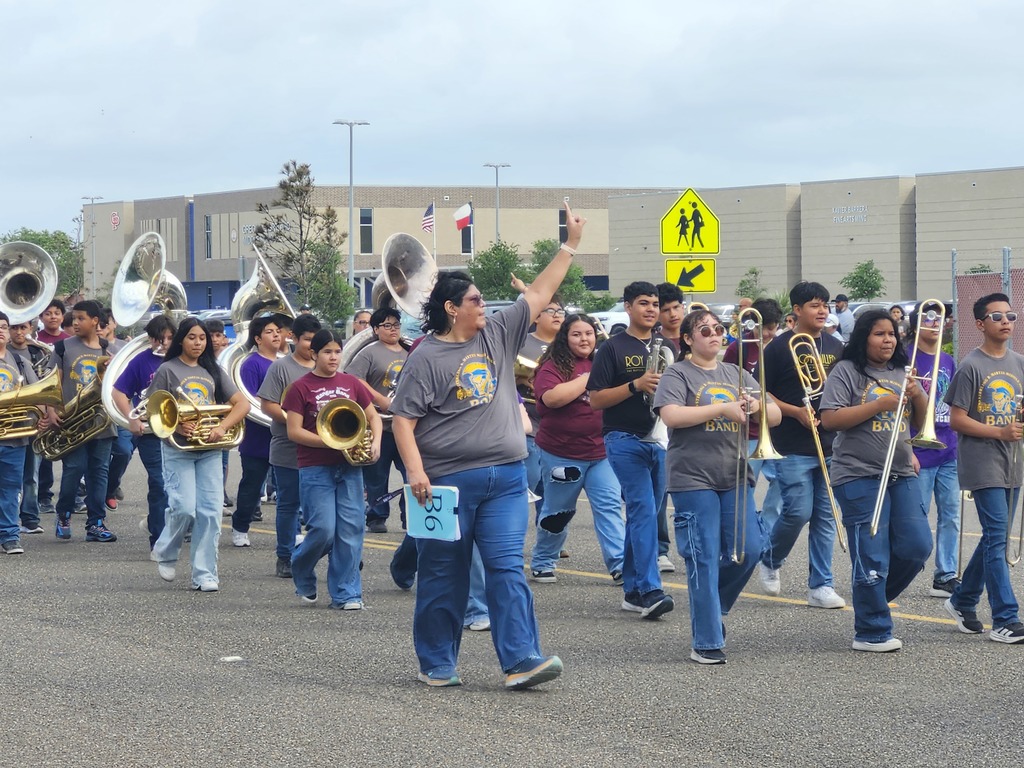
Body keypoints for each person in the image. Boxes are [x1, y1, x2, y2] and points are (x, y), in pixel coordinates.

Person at [390, 202, 583, 690]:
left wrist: (570, 245)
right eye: (476, 299)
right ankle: (437, 662)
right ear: (452, 308)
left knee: (506, 569)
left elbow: (539, 293)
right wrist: (416, 473)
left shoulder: (497, 333)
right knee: (443, 574)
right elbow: (403, 422)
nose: (485, 306)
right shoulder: (425, 357)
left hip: (507, 478)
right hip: (447, 485)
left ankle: (521, 661)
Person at [656, 308, 782, 663]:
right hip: (692, 476)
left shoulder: (736, 372)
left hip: (735, 474)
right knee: (703, 556)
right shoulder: (677, 373)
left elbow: (775, 416)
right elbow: (671, 415)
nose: (715, 334)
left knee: (751, 549)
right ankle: (707, 640)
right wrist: (721, 409)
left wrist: (757, 405)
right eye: (705, 330)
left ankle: (712, 607)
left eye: (719, 328)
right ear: (688, 339)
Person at [818, 310, 931, 652]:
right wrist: (879, 404)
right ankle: (871, 630)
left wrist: (918, 395)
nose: (888, 340)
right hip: (857, 474)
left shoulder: (902, 371)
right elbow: (830, 419)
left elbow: (919, 422)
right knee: (871, 555)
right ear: (863, 337)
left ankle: (871, 600)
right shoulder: (846, 371)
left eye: (892, 334)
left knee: (917, 546)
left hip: (900, 471)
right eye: (879, 334)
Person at [755, 282, 847, 608]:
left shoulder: (836, 345)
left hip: (830, 441)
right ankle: (770, 557)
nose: (822, 311)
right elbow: (761, 392)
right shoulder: (779, 347)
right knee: (798, 511)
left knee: (825, 515)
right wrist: (795, 412)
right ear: (796, 310)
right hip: (791, 443)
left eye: (825, 305)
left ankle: (821, 585)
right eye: (814, 305)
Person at [589, 281, 675, 619]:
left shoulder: (667, 345)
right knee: (643, 509)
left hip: (660, 438)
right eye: (643, 303)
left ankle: (632, 591)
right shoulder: (612, 348)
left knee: (648, 514)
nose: (651, 309)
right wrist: (635, 385)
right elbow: (596, 399)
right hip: (623, 437)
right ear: (628, 307)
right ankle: (651, 590)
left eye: (655, 304)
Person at [943, 293, 1024, 644]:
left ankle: (962, 600)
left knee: (995, 536)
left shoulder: (1019, 362)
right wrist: (1000, 432)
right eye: (996, 316)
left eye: (1011, 316)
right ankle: (1006, 617)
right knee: (997, 538)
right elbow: (957, 420)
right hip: (982, 461)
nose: (1005, 322)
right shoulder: (970, 365)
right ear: (980, 324)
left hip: (1013, 461)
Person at [283, 329, 382, 610]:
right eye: (327, 352)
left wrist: (376, 441)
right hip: (315, 467)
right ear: (314, 354)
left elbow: (373, 416)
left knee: (351, 530)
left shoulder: (351, 383)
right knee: (324, 530)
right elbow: (293, 431)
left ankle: (346, 593)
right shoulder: (300, 387)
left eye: (337, 351)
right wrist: (330, 442)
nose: (333, 357)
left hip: (349, 467)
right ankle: (301, 564)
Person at [150, 318, 249, 592]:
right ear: (181, 339)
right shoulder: (167, 370)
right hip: (178, 449)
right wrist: (177, 425)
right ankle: (166, 551)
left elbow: (242, 405)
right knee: (183, 507)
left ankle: (204, 574)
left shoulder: (213, 370)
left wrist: (222, 427)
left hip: (209, 451)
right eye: (192, 337)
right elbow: (154, 409)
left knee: (210, 512)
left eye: (202, 338)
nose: (198, 343)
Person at [528, 313, 626, 584]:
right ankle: (543, 561)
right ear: (565, 338)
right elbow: (552, 398)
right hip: (561, 453)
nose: (584, 339)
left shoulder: (603, 362)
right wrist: (590, 377)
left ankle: (620, 564)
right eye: (577, 334)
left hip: (601, 453)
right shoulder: (551, 366)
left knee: (609, 507)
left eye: (589, 333)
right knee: (558, 512)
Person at [40, 300, 118, 543]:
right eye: (74, 318)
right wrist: (51, 410)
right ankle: (64, 514)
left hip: (101, 422)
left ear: (95, 321)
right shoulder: (63, 347)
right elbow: (52, 383)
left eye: (81, 318)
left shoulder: (108, 350)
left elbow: (116, 387)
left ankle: (96, 523)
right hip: (72, 422)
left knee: (99, 472)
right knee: (74, 469)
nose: (75, 322)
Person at [258, 313, 322, 578]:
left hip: (321, 449)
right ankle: (285, 556)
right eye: (307, 340)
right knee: (289, 504)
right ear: (293, 338)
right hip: (288, 447)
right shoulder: (281, 368)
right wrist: (297, 422)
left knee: (320, 506)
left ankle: (328, 551)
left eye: (316, 340)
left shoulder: (326, 366)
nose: (312, 346)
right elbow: (268, 404)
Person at [906, 301, 961, 597]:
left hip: (947, 447)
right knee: (916, 515)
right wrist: (908, 450)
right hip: (918, 448)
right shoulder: (906, 357)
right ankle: (903, 568)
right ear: (915, 323)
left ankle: (945, 575)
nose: (936, 322)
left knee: (951, 515)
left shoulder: (948, 360)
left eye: (941, 318)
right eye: (929, 317)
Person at [111, 315, 176, 549]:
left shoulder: (183, 359)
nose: (165, 343)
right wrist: (131, 417)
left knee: (179, 486)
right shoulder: (141, 360)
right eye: (159, 338)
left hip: (182, 431)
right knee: (160, 483)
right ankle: (158, 540)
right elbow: (119, 392)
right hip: (151, 433)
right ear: (150, 339)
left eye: (170, 338)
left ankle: (157, 523)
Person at [345, 306, 408, 534]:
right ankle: (376, 517)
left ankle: (410, 516)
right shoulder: (369, 352)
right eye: (387, 325)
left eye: (396, 325)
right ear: (375, 329)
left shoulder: (410, 351)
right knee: (376, 476)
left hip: (404, 424)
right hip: (379, 422)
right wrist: (380, 399)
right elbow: (353, 378)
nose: (393, 329)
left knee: (411, 473)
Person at [723, 297, 785, 530]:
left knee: (782, 484)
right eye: (764, 328)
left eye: (773, 328)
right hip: (748, 430)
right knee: (745, 486)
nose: (768, 333)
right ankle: (746, 530)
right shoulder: (738, 347)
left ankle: (766, 529)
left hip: (776, 428)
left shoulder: (780, 347)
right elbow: (727, 381)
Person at [231, 315, 281, 547]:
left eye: (278, 331)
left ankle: (291, 532)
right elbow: (249, 399)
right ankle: (240, 527)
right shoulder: (251, 364)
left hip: (283, 435)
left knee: (289, 488)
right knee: (252, 485)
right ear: (258, 339)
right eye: (270, 332)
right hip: (257, 436)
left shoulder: (284, 362)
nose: (276, 335)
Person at [0, 311, 38, 555]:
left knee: (11, 488)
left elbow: (37, 392)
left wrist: (44, 415)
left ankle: (10, 535)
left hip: (14, 437)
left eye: (4, 326)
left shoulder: (20, 361)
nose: (1, 330)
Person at [9, 320, 49, 536]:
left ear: (30, 328)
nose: (18, 332)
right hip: (8, 426)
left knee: (31, 475)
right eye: (13, 327)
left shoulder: (32, 355)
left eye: (22, 327)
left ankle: (30, 518)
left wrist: (43, 418)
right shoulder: (7, 355)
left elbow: (39, 392)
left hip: (29, 423)